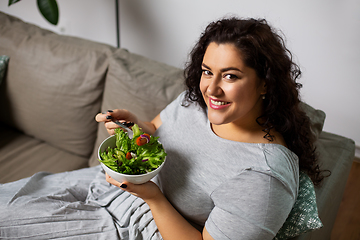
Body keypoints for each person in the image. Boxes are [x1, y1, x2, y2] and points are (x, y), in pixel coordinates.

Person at [0, 17, 325, 240]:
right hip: (106, 184)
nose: (211, 90)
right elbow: (155, 130)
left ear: (265, 83)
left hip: (136, 227)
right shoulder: (198, 102)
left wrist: (153, 198)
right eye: (207, 71)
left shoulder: (264, 178)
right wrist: (133, 128)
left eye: (230, 76)